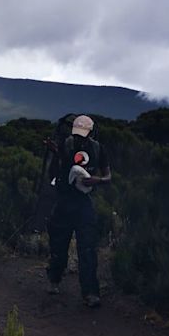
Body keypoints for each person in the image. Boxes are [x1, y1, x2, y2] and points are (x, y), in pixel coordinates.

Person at [45, 114, 111, 308]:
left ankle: (90, 292)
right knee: (58, 245)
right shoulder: (66, 145)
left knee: (88, 249)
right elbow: (54, 174)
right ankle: (54, 279)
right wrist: (56, 155)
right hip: (65, 201)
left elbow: (108, 176)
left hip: (84, 203)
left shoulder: (99, 149)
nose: (80, 138)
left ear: (90, 133)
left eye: (84, 135)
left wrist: (96, 180)